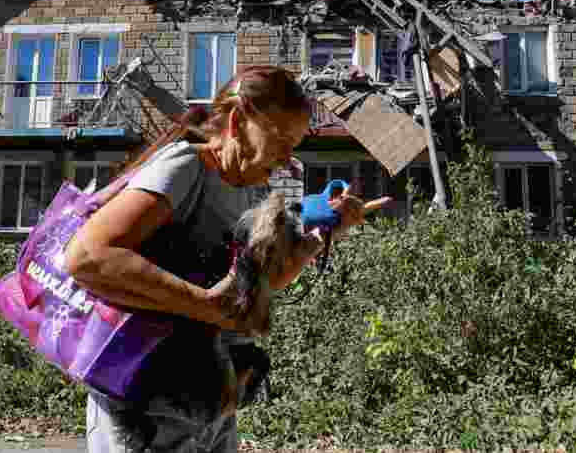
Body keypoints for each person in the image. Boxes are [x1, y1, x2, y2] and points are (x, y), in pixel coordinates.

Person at [62, 65, 391, 452]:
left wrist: (325, 234)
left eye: (295, 146)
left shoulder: (252, 189)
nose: (288, 159)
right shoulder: (186, 166)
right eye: (282, 140)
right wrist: (205, 306)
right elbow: (85, 256)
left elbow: (264, 278)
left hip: (208, 395)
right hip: (143, 403)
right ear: (238, 122)